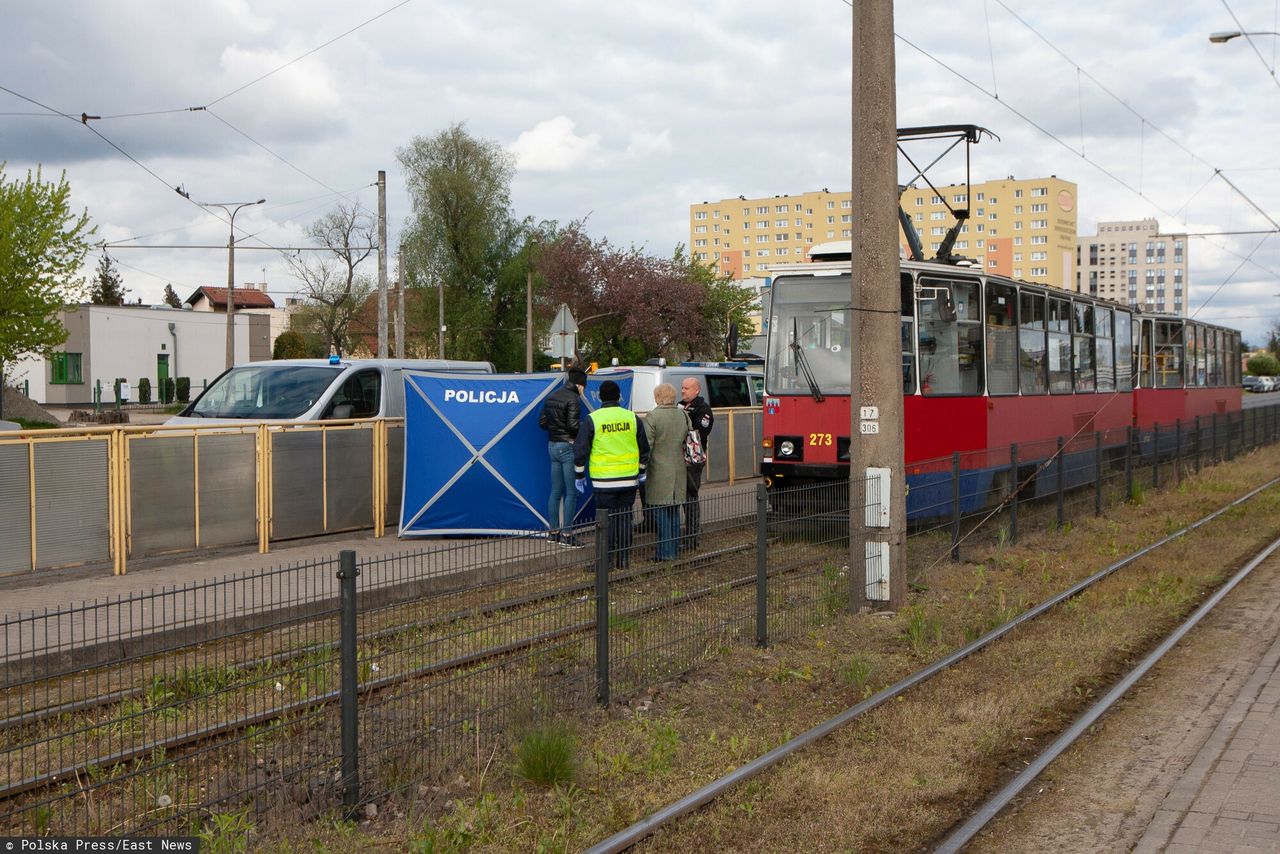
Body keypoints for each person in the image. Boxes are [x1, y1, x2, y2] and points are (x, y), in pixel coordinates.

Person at [574, 379, 650, 569]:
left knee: (605, 522)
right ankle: (623, 560)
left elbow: (580, 451)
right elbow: (644, 450)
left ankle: (606, 561)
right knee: (625, 519)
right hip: (629, 481)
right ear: (619, 397)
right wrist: (641, 472)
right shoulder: (632, 418)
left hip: (604, 483)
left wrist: (579, 475)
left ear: (600, 397)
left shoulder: (593, 419)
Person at [539, 368, 588, 547]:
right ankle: (567, 535)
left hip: (552, 446)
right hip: (567, 447)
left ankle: (553, 533)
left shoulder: (552, 396)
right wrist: (582, 427)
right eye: (583, 386)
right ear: (579, 384)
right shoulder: (573, 399)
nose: (583, 390)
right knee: (572, 492)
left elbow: (542, 422)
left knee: (556, 491)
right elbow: (574, 427)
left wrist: (556, 430)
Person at [643, 383, 690, 561]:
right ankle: (675, 550)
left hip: (659, 470)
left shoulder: (653, 416)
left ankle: (664, 553)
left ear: (658, 397)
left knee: (661, 512)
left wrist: (641, 467)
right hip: (679, 468)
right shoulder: (682, 414)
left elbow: (647, 444)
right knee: (674, 511)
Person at [678, 376, 714, 550]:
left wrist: (686, 418)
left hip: (693, 460)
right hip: (678, 458)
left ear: (696, 390)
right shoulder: (678, 405)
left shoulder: (703, 409)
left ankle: (692, 538)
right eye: (682, 388)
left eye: (686, 388)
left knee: (690, 496)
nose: (683, 390)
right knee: (681, 497)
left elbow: (702, 428)